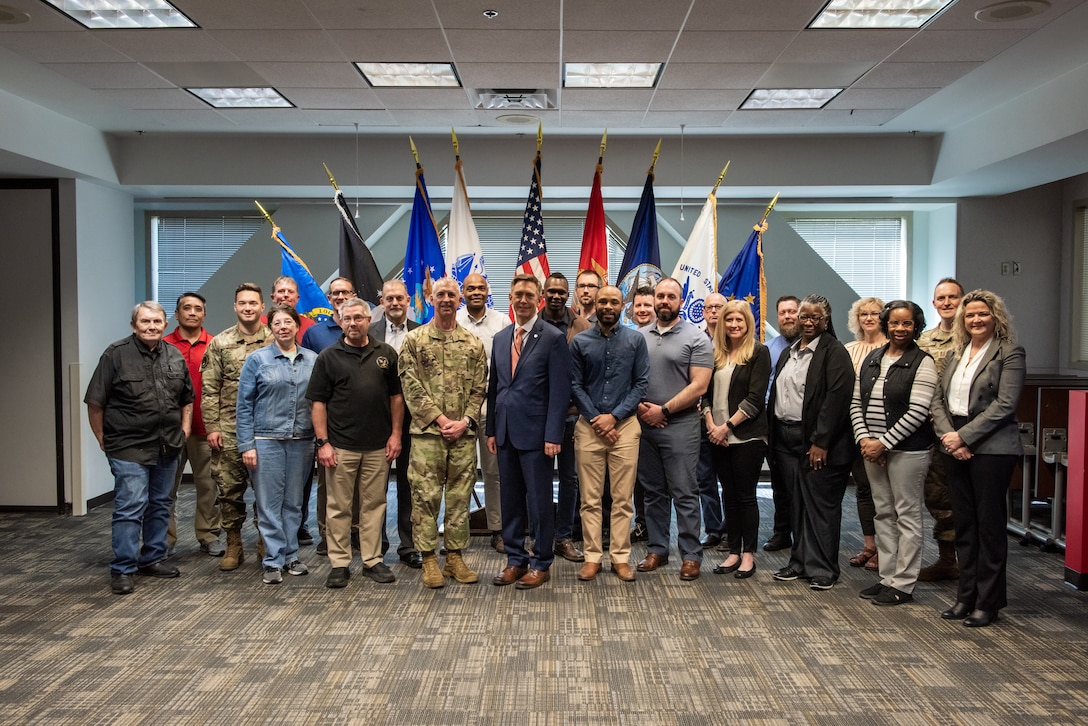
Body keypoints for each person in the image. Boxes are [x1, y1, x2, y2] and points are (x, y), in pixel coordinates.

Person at [931, 290, 1025, 627]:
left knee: (989, 527)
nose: (976, 320)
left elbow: (1005, 404)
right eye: (969, 315)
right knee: (964, 526)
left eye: (982, 314)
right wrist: (950, 438)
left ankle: (988, 602)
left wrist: (964, 436)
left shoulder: (1009, 353)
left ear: (995, 316)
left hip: (993, 448)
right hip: (954, 444)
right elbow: (938, 401)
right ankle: (965, 596)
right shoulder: (957, 352)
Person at [85, 301, 193, 595]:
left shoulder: (173, 355)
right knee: (131, 506)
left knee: (160, 504)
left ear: (165, 324)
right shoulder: (115, 355)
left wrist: (184, 429)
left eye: (157, 322)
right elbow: (95, 402)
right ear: (134, 325)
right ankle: (123, 567)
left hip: (167, 445)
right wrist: (101, 437)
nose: (151, 327)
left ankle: (153, 558)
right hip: (128, 446)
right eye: (145, 322)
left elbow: (187, 398)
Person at [307, 297, 403, 589]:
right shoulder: (328, 356)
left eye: (358, 318)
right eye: (347, 319)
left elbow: (396, 398)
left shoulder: (385, 353)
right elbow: (318, 403)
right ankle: (339, 563)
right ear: (339, 320)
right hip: (340, 446)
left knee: (374, 505)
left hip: (377, 446)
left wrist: (396, 434)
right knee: (339, 507)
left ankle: (372, 560)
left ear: (368, 320)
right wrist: (322, 442)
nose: (352, 323)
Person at [399, 278, 488, 588]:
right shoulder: (414, 340)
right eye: (441, 295)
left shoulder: (472, 343)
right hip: (427, 436)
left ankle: (454, 558)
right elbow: (410, 385)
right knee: (424, 498)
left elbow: (480, 388)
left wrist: (464, 421)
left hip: (462, 436)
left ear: (459, 297)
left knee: (459, 497)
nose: (447, 299)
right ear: (431, 298)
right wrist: (439, 419)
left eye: (452, 294)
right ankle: (428, 560)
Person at [488, 273, 572, 590]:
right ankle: (514, 559)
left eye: (528, 295)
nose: (522, 300)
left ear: (538, 298)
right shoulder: (500, 338)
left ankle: (541, 562)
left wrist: (554, 435)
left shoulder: (551, 337)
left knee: (538, 503)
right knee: (510, 500)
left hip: (538, 436)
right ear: (510, 297)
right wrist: (491, 430)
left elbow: (560, 392)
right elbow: (495, 387)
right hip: (506, 432)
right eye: (517, 294)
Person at [851, 300, 938, 606]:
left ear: (916, 327)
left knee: (907, 515)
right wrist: (864, 439)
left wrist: (882, 443)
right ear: (886, 324)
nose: (900, 328)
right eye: (894, 323)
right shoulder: (872, 357)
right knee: (883, 513)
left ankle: (904, 582)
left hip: (907, 451)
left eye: (907, 323)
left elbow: (917, 412)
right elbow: (855, 402)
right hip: (871, 449)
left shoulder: (922, 362)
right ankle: (887, 577)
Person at [769, 294, 855, 591]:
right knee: (797, 505)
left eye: (813, 317)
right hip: (786, 438)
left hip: (819, 443)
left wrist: (821, 441)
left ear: (825, 320)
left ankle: (823, 568)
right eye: (803, 316)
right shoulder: (789, 351)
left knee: (820, 507)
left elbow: (836, 401)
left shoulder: (835, 353)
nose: (806, 321)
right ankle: (799, 562)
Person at [569, 285, 650, 582]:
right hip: (589, 428)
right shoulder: (579, 342)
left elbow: (641, 384)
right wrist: (596, 419)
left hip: (625, 427)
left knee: (622, 498)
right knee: (589, 499)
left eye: (614, 301)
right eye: (602, 300)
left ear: (622, 305)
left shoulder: (635, 340)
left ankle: (620, 557)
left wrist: (613, 417)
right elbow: (574, 385)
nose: (607, 306)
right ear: (594, 303)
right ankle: (592, 556)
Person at [635, 278, 713, 581]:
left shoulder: (696, 338)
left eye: (671, 296)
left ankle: (691, 555)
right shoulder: (639, 337)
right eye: (660, 296)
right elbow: (632, 380)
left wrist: (664, 410)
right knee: (653, 492)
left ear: (681, 301)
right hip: (645, 425)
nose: (664, 301)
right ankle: (657, 549)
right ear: (654, 300)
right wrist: (644, 409)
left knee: (684, 492)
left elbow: (700, 385)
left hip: (680, 426)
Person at [236, 304, 317, 585]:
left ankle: (291, 556)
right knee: (269, 504)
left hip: (302, 441)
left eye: (288, 322)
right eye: (277, 323)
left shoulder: (313, 360)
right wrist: (246, 444)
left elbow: (319, 404)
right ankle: (272, 560)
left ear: (297, 326)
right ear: (270, 328)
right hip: (265, 441)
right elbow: (243, 405)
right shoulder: (257, 360)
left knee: (294, 504)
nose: (283, 327)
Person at [201, 282, 271, 571]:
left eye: (253, 302)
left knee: (267, 491)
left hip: (267, 428)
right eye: (242, 303)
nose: (247, 307)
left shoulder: (274, 339)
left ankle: (265, 544)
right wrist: (212, 427)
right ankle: (233, 543)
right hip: (229, 428)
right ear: (235, 307)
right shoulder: (220, 342)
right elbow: (209, 389)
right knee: (229, 489)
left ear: (262, 306)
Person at [703, 300, 771, 579]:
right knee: (727, 496)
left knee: (745, 497)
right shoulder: (715, 353)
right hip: (717, 436)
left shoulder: (758, 352)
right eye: (728, 320)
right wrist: (711, 424)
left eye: (738, 321)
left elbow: (755, 398)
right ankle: (732, 551)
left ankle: (748, 555)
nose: (733, 324)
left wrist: (726, 426)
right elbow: (704, 394)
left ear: (747, 324)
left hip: (746, 436)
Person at [163, 292, 222, 557]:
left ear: (204, 315)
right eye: (186, 308)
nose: (192, 312)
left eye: (198, 308)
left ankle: (208, 535)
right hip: (168, 431)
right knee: (165, 489)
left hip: (204, 429)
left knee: (208, 487)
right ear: (177, 314)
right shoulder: (163, 346)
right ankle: (163, 540)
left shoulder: (216, 345)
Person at [456, 272, 511, 553]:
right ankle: (457, 532)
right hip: (460, 411)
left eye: (480, 287)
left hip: (492, 409)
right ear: (462, 292)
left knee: (494, 472)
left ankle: (497, 529)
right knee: (460, 472)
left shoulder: (502, 322)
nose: (475, 292)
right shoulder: (452, 323)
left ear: (487, 291)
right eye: (470, 288)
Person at [370, 280, 423, 569]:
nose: (394, 303)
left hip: (414, 420)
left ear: (408, 302)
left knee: (408, 483)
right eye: (389, 298)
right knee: (374, 485)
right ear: (382, 303)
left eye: (399, 298)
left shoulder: (422, 332)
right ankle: (374, 544)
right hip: (377, 418)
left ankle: (408, 544)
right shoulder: (369, 332)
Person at [300, 276, 354, 556]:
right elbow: (309, 382)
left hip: (361, 419)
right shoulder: (315, 334)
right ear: (329, 299)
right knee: (328, 482)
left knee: (359, 481)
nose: (340, 296)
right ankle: (327, 533)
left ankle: (355, 532)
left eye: (345, 292)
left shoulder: (366, 326)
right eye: (335, 293)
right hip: (328, 418)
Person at [916, 278, 965, 581]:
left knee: (967, 495)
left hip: (964, 429)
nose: (947, 303)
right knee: (937, 496)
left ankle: (971, 560)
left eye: (953, 297)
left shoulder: (972, 339)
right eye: (941, 298)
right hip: (928, 429)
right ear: (934, 303)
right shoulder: (923, 340)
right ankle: (948, 559)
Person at [540, 272, 591, 563]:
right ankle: (542, 537)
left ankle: (563, 537)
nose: (557, 296)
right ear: (543, 293)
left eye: (562, 291)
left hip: (572, 415)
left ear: (567, 293)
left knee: (570, 479)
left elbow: (589, 370)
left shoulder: (582, 326)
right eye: (552, 291)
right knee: (540, 478)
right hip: (540, 415)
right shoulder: (532, 324)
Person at [844, 297, 888, 572]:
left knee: (884, 492)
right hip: (854, 428)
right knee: (863, 489)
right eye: (864, 314)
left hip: (883, 430)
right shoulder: (849, 349)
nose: (869, 318)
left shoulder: (892, 348)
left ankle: (886, 548)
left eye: (874, 313)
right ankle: (869, 545)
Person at [763, 295, 800, 552]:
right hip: (772, 422)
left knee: (800, 484)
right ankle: (781, 532)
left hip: (801, 425)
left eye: (793, 312)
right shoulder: (769, 347)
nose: (788, 317)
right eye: (783, 312)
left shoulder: (814, 347)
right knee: (778, 483)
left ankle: (803, 536)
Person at [697, 292, 728, 550]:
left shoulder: (737, 341)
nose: (714, 311)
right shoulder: (696, 339)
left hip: (730, 421)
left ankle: (733, 528)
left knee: (730, 478)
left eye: (719, 307)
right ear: (703, 311)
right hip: (700, 419)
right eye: (710, 307)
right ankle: (714, 529)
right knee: (704, 478)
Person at [260, 275, 316, 342]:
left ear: (297, 298)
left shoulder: (309, 325)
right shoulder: (260, 323)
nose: (286, 295)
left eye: (290, 292)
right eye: (281, 291)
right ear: (273, 297)